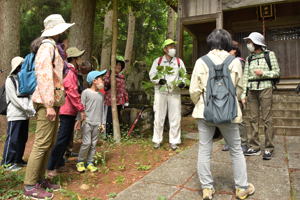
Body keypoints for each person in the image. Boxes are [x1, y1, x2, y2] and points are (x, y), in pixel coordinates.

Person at [189, 29, 255, 200]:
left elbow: (194, 91)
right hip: (229, 113)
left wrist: (203, 104)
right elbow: (240, 88)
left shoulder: (200, 62)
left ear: (210, 42)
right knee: (235, 149)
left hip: (205, 112)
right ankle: (241, 188)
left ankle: (207, 189)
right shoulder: (234, 62)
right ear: (226, 43)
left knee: (204, 149)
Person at [24, 14, 74, 200]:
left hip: (53, 101)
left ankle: (40, 179)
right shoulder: (47, 48)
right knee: (41, 143)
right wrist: (49, 104)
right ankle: (30, 185)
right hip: (47, 102)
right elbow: (43, 76)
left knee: (49, 143)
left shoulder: (53, 48)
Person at [47, 47, 86, 177]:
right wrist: (81, 109)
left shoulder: (70, 71)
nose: (81, 60)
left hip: (68, 110)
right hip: (67, 110)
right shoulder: (70, 73)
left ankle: (59, 163)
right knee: (62, 139)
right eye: (79, 57)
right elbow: (73, 93)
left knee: (66, 138)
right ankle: (51, 166)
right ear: (74, 59)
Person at [241, 32, 280, 160]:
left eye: (250, 42)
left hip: (266, 88)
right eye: (248, 42)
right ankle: (254, 146)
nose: (248, 44)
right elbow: (245, 76)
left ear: (257, 43)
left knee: (267, 118)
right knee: (252, 118)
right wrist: (243, 93)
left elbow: (276, 72)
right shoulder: (249, 58)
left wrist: (263, 73)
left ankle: (269, 148)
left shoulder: (269, 55)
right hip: (252, 90)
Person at [149, 39, 187, 150]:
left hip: (174, 92)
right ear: (165, 49)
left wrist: (182, 83)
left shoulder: (179, 62)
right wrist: (158, 80)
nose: (173, 49)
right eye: (170, 47)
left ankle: (174, 141)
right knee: (159, 116)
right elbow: (152, 74)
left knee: (175, 117)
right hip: (160, 92)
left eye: (173, 46)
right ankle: (157, 140)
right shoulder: (158, 61)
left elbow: (183, 76)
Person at [1, 57, 35, 171]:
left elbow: (30, 95)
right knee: (13, 138)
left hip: (25, 115)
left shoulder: (24, 80)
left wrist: (30, 109)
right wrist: (27, 109)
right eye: (21, 66)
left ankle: (18, 159)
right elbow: (14, 99)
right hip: (15, 114)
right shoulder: (9, 80)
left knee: (22, 138)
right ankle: (7, 162)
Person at [76, 70, 107, 173]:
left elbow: (102, 110)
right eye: (101, 79)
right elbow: (81, 108)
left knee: (93, 144)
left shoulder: (101, 95)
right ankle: (80, 162)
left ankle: (90, 162)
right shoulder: (85, 92)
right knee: (86, 143)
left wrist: (103, 123)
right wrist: (79, 121)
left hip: (97, 124)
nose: (102, 81)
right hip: (87, 122)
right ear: (94, 81)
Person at [222, 41, 248, 153]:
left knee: (239, 120)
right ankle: (228, 142)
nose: (228, 52)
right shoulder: (227, 62)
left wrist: (242, 95)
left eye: (229, 50)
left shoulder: (239, 62)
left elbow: (241, 80)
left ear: (235, 51)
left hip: (236, 94)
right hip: (226, 94)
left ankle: (243, 143)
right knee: (227, 119)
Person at [103, 56, 129, 136]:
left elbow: (123, 89)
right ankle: (107, 134)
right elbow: (105, 84)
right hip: (110, 101)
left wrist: (126, 99)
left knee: (117, 117)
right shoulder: (108, 74)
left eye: (120, 65)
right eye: (117, 65)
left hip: (119, 101)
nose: (118, 66)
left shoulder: (122, 77)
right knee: (109, 118)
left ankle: (115, 133)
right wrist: (111, 78)